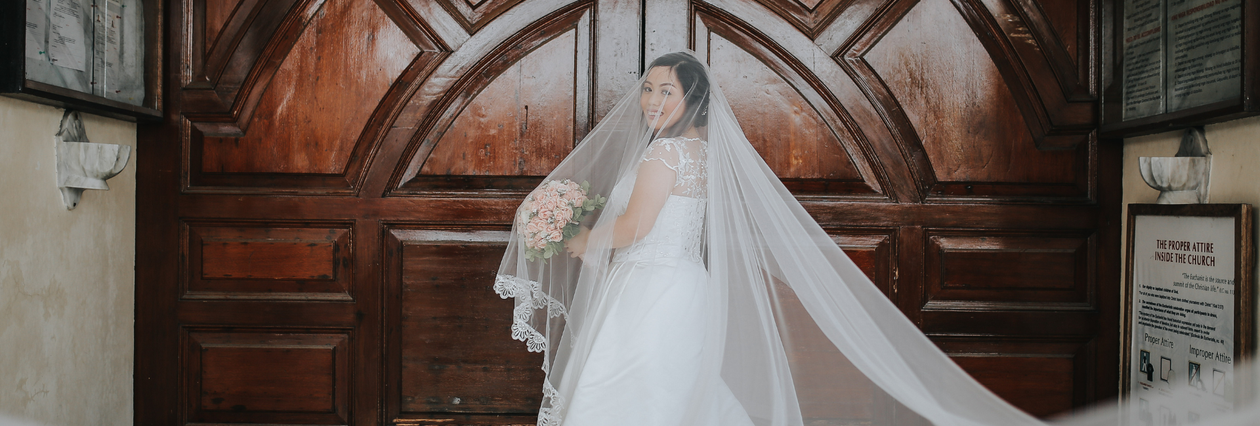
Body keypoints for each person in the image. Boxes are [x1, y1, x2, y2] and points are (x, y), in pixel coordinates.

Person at [493, 52, 1258, 426]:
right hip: (676, 293)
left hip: (653, 293)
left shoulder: (663, 155)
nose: (652, 98)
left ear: (691, 100)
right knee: (676, 402)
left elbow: (628, 232)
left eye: (666, 89)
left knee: (636, 401)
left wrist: (564, 237)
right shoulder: (698, 154)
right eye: (648, 87)